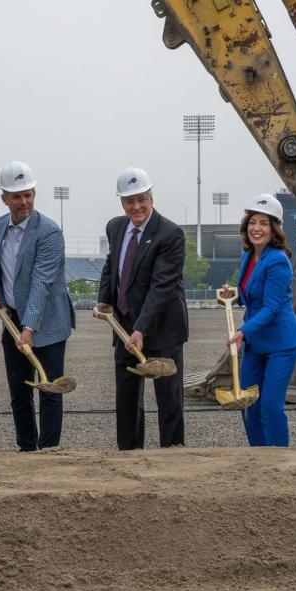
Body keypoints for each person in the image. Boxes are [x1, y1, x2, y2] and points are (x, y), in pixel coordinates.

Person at [97, 167, 187, 450]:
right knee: (126, 396)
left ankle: (172, 454)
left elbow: (162, 287)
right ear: (121, 202)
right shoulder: (115, 227)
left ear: (151, 197)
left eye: (141, 199)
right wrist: (105, 298)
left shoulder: (170, 234)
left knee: (168, 398)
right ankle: (129, 454)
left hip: (162, 327)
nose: (136, 207)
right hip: (124, 325)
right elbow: (113, 264)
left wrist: (141, 329)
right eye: (129, 201)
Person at [0, 161, 75, 452]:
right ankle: (26, 450)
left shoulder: (48, 232)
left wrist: (29, 327)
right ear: (4, 198)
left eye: (28, 194)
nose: (24, 201)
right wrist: (3, 293)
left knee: (49, 389)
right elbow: (3, 266)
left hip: (47, 322)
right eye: (16, 196)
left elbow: (42, 282)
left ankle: (48, 451)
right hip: (12, 322)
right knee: (20, 391)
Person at [221, 194, 296, 447]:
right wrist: (233, 295)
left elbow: (272, 307)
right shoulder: (249, 256)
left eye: (264, 223)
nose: (257, 228)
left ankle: (278, 457)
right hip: (256, 343)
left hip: (280, 344)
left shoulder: (278, 260)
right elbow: (251, 296)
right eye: (253, 222)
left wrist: (242, 331)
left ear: (275, 229)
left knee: (270, 405)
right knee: (250, 404)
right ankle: (258, 456)